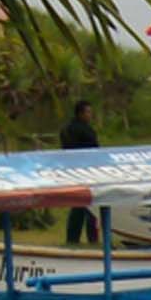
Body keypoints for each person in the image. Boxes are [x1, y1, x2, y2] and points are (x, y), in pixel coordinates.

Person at [60, 100, 101, 244]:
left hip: (72, 171)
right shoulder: (85, 131)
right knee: (89, 207)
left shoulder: (66, 129)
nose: (91, 115)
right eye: (88, 112)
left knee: (78, 206)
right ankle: (92, 238)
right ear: (81, 113)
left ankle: (73, 238)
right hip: (86, 172)